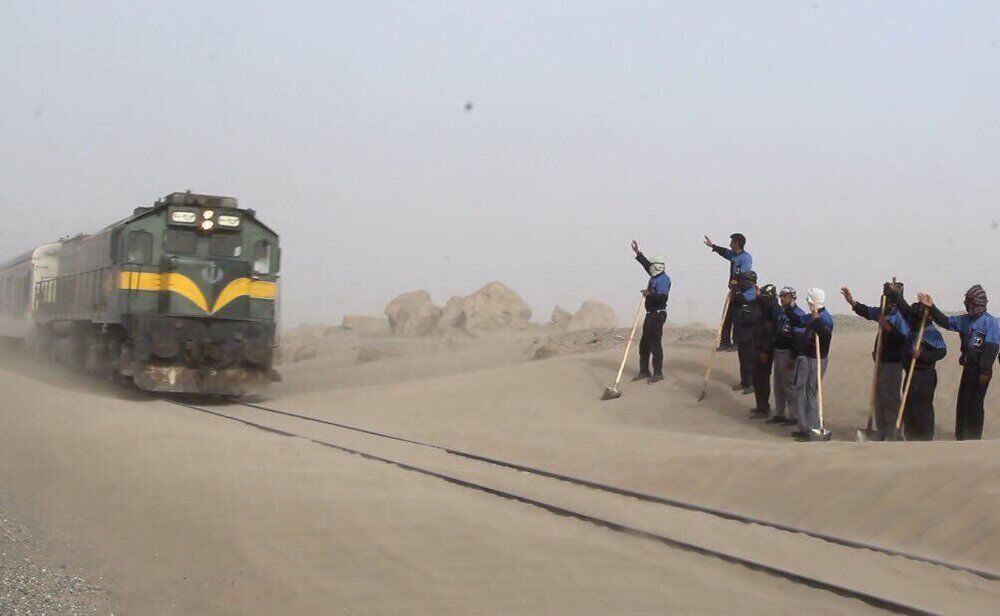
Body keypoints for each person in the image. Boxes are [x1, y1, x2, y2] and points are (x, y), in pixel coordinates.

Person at [917, 286, 999, 440]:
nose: (967, 304)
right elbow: (945, 321)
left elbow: (991, 349)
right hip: (968, 368)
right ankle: (961, 437)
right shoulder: (965, 320)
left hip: (981, 371)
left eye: (969, 301)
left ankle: (974, 439)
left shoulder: (990, 322)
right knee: (963, 403)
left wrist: (986, 371)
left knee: (975, 404)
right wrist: (931, 307)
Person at [841, 282, 910, 440]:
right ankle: (882, 430)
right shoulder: (882, 312)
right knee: (878, 396)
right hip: (881, 361)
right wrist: (852, 302)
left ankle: (895, 432)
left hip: (894, 362)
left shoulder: (900, 315)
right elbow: (867, 311)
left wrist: (888, 328)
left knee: (890, 396)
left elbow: (904, 339)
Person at [888, 287, 947, 440]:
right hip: (911, 373)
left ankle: (925, 437)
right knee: (908, 405)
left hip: (924, 375)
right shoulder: (913, 321)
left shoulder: (931, 332)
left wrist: (922, 355)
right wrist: (895, 293)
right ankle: (911, 436)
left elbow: (941, 352)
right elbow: (903, 307)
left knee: (922, 407)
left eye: (913, 318)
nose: (910, 319)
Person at [790, 288, 834, 441]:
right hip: (807, 357)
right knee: (801, 392)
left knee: (810, 393)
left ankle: (813, 427)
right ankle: (805, 427)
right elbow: (797, 321)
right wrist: (789, 308)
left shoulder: (825, 318)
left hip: (816, 359)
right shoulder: (813, 316)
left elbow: (826, 337)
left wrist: (817, 322)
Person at [631, 240, 672, 383]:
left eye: (653, 266)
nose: (651, 268)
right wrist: (638, 252)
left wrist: (649, 293)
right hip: (650, 314)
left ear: (658, 267)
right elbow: (646, 264)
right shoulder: (654, 275)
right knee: (644, 344)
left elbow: (662, 297)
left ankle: (658, 373)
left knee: (655, 343)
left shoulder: (664, 280)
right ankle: (644, 371)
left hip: (658, 314)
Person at [703, 233, 752, 351]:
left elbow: (745, 275)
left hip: (740, 290)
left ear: (737, 243)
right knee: (726, 317)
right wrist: (713, 246)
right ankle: (725, 343)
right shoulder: (733, 255)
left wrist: (737, 285)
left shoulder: (745, 258)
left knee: (737, 317)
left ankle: (737, 344)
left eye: (732, 242)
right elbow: (724, 252)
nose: (730, 244)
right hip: (732, 290)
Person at [767, 287, 806, 426]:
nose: (782, 298)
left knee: (789, 385)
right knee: (778, 384)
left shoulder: (798, 314)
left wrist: (793, 357)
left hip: (788, 353)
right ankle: (779, 413)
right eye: (781, 296)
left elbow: (799, 337)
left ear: (793, 297)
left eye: (786, 296)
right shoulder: (781, 312)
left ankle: (794, 415)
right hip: (778, 350)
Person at [748, 284, 778, 417]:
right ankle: (760, 406)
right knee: (756, 378)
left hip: (764, 351)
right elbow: (759, 300)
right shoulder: (766, 306)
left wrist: (765, 351)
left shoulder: (771, 309)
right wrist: (758, 292)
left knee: (762, 379)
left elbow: (770, 334)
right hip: (758, 348)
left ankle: (764, 408)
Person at [730, 270, 758, 395]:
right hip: (742, 329)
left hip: (752, 331)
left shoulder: (752, 292)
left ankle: (752, 383)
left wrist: (735, 287)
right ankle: (745, 381)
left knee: (750, 357)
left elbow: (739, 298)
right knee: (742, 357)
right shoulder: (745, 290)